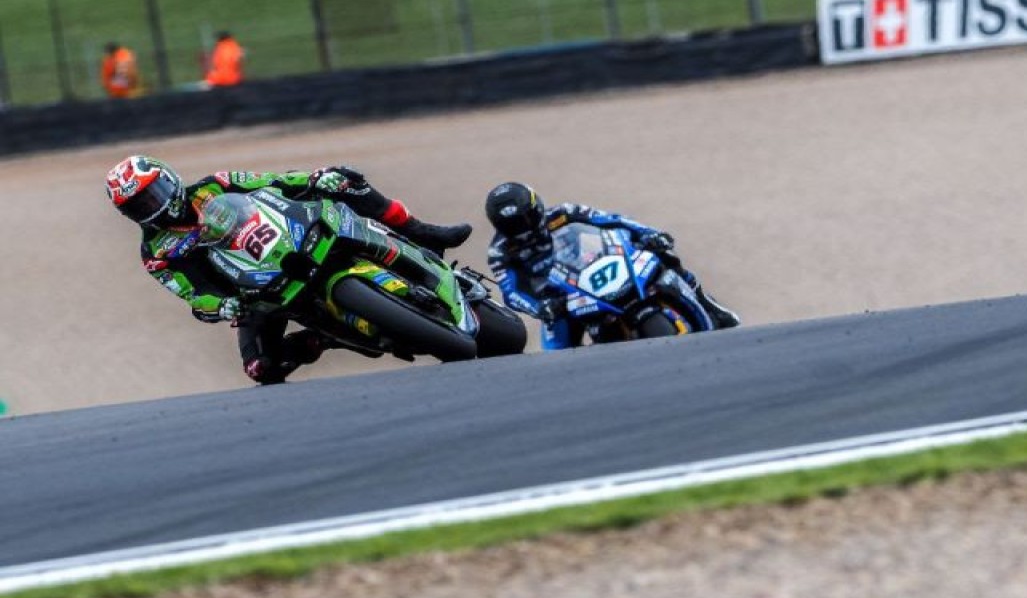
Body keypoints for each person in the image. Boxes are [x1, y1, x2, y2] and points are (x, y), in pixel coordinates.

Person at [106, 155, 473, 384]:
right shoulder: (156, 253)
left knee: (344, 179)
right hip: (253, 293)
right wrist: (221, 306)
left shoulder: (216, 184)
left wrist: (314, 179)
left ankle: (422, 233)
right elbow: (192, 293)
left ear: (169, 179)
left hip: (289, 242)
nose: (152, 206)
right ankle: (324, 337)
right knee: (260, 369)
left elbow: (273, 182)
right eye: (139, 206)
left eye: (152, 194)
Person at [484, 181, 739, 350]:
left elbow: (612, 220)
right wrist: (541, 307)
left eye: (527, 218)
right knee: (555, 344)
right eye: (513, 225)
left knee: (665, 259)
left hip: (599, 267)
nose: (524, 227)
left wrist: (650, 234)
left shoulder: (564, 213)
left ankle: (710, 307)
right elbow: (512, 292)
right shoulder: (500, 252)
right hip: (561, 296)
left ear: (536, 207)